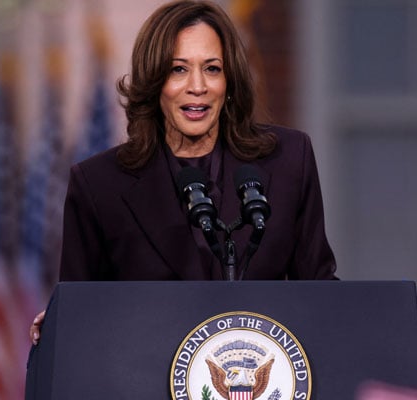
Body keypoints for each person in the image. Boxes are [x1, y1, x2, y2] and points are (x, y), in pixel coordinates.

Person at [30, 0, 337, 344]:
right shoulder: (99, 185)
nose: (197, 86)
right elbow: (84, 316)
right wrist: (62, 322)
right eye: (178, 69)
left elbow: (321, 293)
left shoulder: (288, 161)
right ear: (153, 81)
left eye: (212, 69)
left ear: (230, 80)